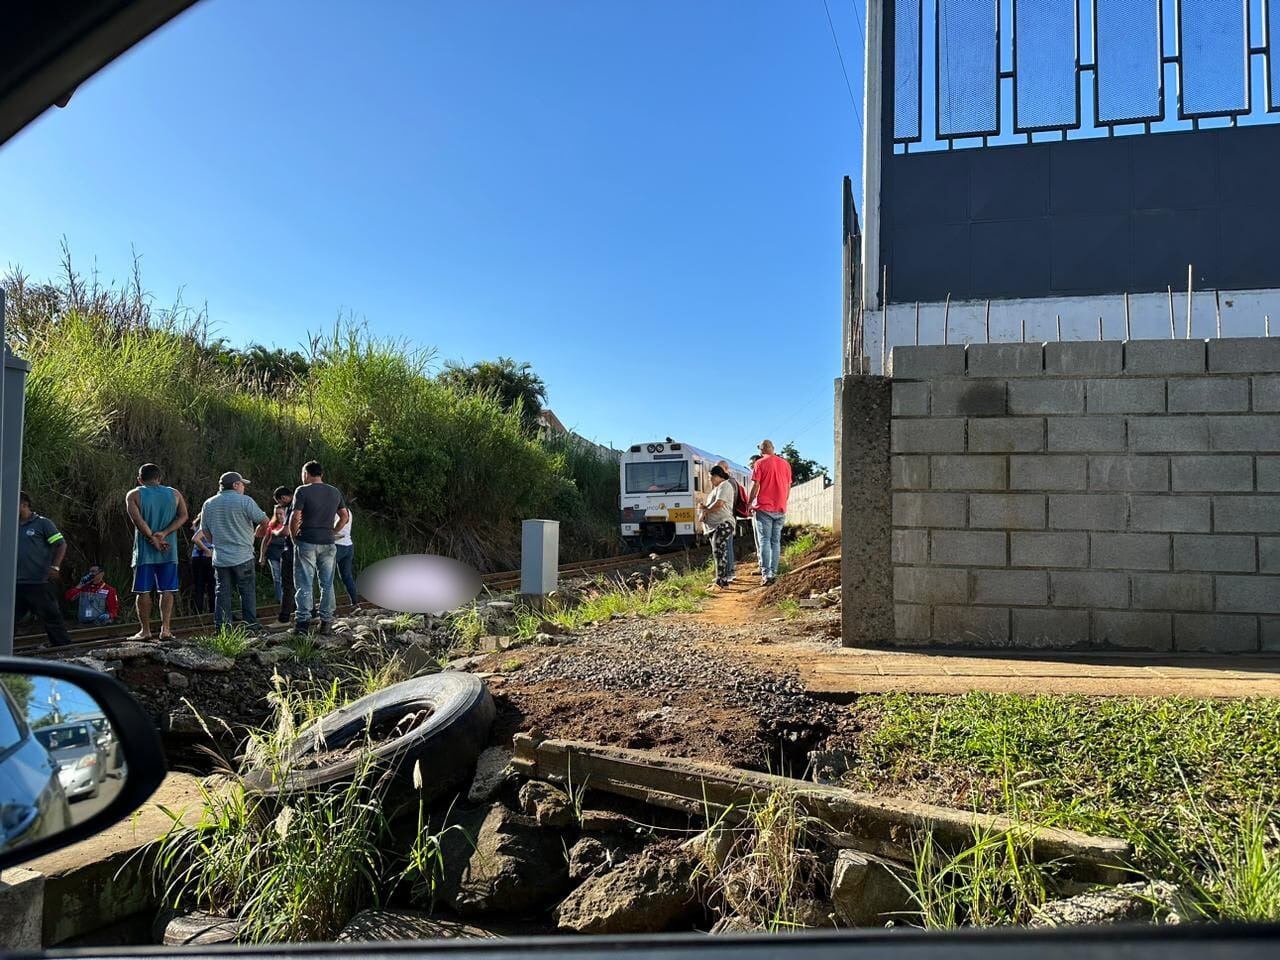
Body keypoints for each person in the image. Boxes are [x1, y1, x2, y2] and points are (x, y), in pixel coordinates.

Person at [199, 472, 270, 632]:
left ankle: (223, 629)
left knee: (222, 593)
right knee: (247, 592)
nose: (244, 487)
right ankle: (251, 626)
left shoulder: (208, 504)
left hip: (220, 557)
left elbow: (205, 530)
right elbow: (265, 521)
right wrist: (257, 533)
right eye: (242, 484)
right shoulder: (245, 501)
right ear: (236, 485)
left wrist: (215, 542)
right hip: (243, 554)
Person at [124, 463, 188, 640]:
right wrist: (164, 534)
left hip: (145, 551)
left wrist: (152, 537)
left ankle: (145, 631)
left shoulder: (134, 494)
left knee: (143, 591)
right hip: (169, 549)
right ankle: (165, 629)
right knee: (167, 590)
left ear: (139, 479)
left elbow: (137, 520)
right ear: (159, 478)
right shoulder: (174, 493)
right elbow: (183, 516)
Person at [289, 460, 349, 636]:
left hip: (307, 540)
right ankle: (326, 622)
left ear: (306, 474)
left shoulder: (302, 491)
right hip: (328, 542)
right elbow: (344, 516)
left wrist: (294, 536)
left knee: (304, 582)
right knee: (327, 583)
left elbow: (295, 516)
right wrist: (333, 530)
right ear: (321, 474)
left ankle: (302, 623)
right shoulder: (334, 491)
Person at [13, 492, 71, 647]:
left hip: (38, 581)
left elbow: (61, 544)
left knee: (51, 617)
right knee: (8, 619)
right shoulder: (9, 525)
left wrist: (55, 566)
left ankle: (64, 649)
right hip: (14, 583)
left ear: (24, 505)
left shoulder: (42, 524)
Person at [748, 439, 792, 587]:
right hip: (780, 508)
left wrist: (749, 503)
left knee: (764, 541)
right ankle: (774, 571)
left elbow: (756, 485)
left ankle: (766, 574)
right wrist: (783, 502)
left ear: (761, 450)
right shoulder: (785, 464)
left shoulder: (759, 463)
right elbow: (788, 487)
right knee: (775, 541)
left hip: (764, 508)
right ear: (773, 448)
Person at [698, 465, 737, 589]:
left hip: (723, 523)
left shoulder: (725, 486)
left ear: (716, 476)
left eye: (710, 477)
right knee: (718, 551)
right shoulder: (716, 489)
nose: (709, 480)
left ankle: (721, 581)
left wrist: (707, 510)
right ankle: (721, 579)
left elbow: (719, 503)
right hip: (714, 525)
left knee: (719, 550)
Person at [259, 503, 289, 604]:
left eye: (281, 514)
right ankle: (280, 599)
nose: (279, 516)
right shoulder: (272, 525)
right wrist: (262, 556)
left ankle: (288, 599)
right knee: (277, 577)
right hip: (273, 553)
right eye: (277, 514)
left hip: (285, 552)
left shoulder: (288, 524)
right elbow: (265, 541)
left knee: (286, 576)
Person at [189, 514, 215, 614]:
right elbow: (195, 539)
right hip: (206, 557)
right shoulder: (206, 525)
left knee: (199, 587)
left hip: (196, 557)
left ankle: (198, 613)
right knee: (212, 586)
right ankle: (213, 612)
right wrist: (207, 550)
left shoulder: (196, 524)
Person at [334, 507, 359, 608]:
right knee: (347, 576)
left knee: (327, 577)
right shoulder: (349, 510)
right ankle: (355, 603)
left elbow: (334, 532)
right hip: (349, 545)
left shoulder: (334, 511)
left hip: (337, 546)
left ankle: (328, 607)